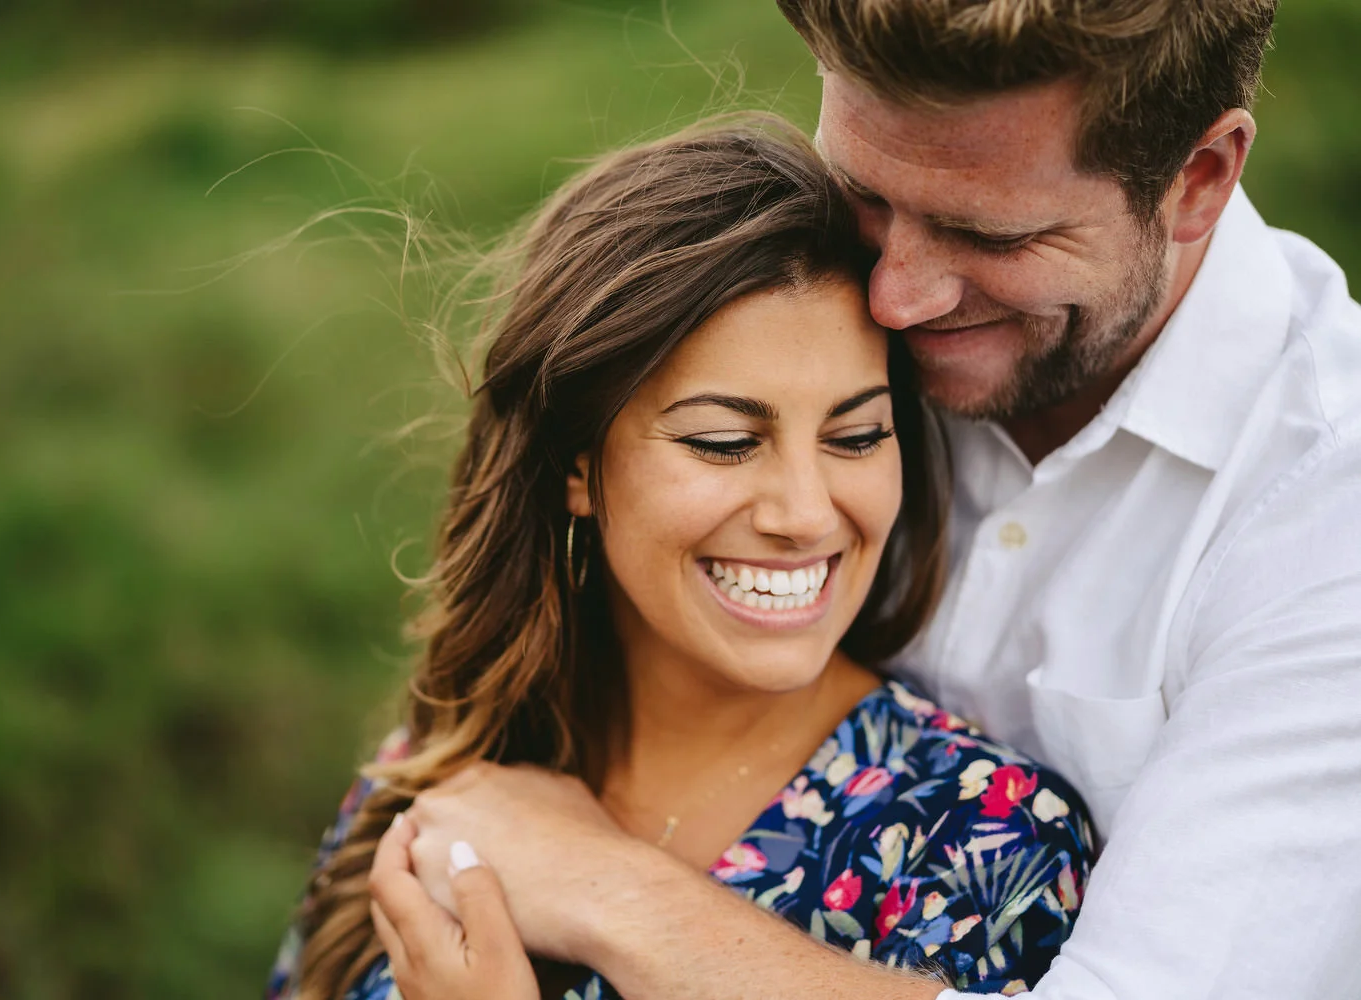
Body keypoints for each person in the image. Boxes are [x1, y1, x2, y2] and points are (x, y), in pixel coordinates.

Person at [388, 2, 1361, 999]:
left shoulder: (1328, 522)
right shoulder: (471, 762)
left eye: (986, 233)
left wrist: (609, 890)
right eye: (865, 194)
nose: (896, 299)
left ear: (1197, 180)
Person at [266, 115, 1097, 1000]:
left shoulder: (983, 841)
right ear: (578, 465)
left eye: (855, 436)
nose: (805, 514)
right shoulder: (440, 773)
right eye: (725, 442)